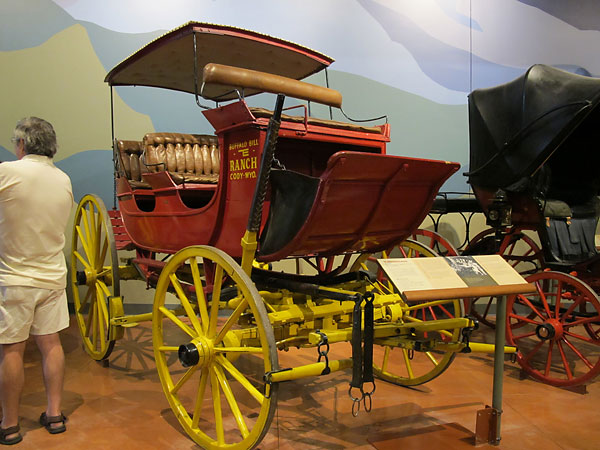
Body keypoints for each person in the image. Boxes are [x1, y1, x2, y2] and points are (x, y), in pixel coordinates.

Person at [0, 117, 73, 445]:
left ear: (22, 144)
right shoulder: (63, 179)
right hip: (52, 276)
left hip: (15, 277)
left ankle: (10, 424)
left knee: (12, 349)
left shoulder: (8, 172)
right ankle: (54, 415)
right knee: (51, 344)